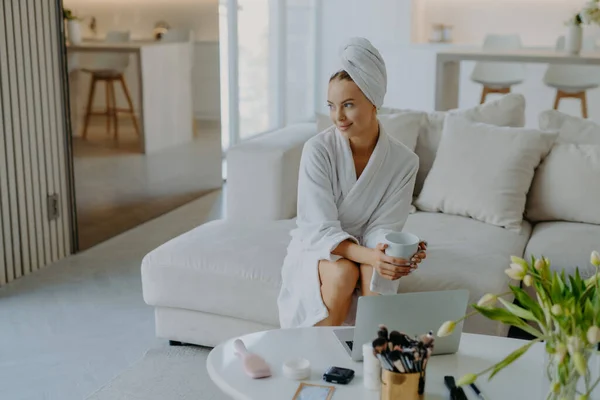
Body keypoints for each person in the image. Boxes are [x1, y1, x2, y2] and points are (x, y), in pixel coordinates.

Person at [277, 37, 427, 329]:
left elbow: (384, 226)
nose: (338, 117)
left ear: (374, 103)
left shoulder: (404, 161)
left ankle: (371, 359)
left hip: (368, 245)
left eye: (348, 105)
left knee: (377, 273)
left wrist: (390, 252)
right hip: (319, 246)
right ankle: (320, 362)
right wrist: (371, 256)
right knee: (344, 273)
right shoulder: (317, 150)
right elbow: (319, 228)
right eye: (332, 106)